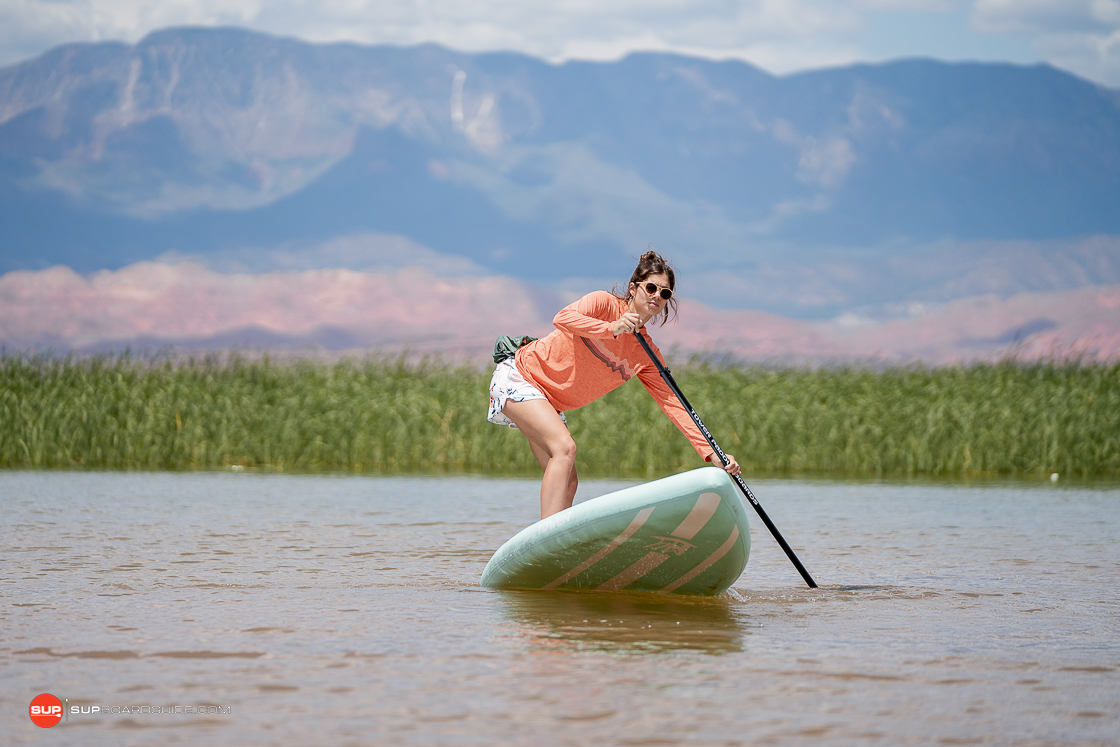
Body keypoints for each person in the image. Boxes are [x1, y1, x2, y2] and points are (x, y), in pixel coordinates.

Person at [487, 251, 741, 519]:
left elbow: (674, 404)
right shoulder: (603, 304)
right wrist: (612, 328)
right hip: (522, 376)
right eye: (652, 287)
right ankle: (544, 538)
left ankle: (557, 552)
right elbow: (562, 318)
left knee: (570, 482)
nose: (657, 296)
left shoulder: (647, 354)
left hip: (549, 403)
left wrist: (713, 453)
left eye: (665, 293)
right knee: (565, 449)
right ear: (633, 288)